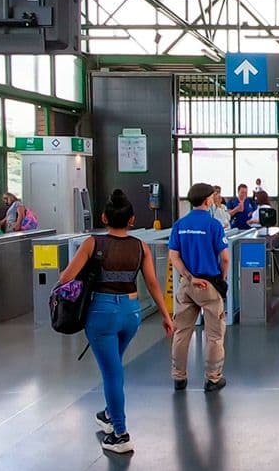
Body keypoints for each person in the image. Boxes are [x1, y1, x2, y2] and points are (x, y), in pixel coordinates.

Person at [57, 190, 176, 454]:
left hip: (102, 314)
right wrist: (166, 316)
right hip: (131, 314)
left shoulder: (92, 243)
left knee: (112, 372)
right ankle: (109, 414)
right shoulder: (140, 246)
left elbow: (66, 278)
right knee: (114, 366)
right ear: (132, 220)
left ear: (103, 217)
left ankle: (120, 434)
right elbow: (153, 283)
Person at [168, 182, 231, 392]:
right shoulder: (214, 225)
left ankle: (179, 377)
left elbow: (173, 256)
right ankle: (213, 379)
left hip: (186, 285)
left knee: (181, 332)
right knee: (214, 335)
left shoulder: (179, 224)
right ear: (207, 200)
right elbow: (225, 258)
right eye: (213, 197)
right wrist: (220, 280)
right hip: (209, 284)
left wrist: (188, 276)